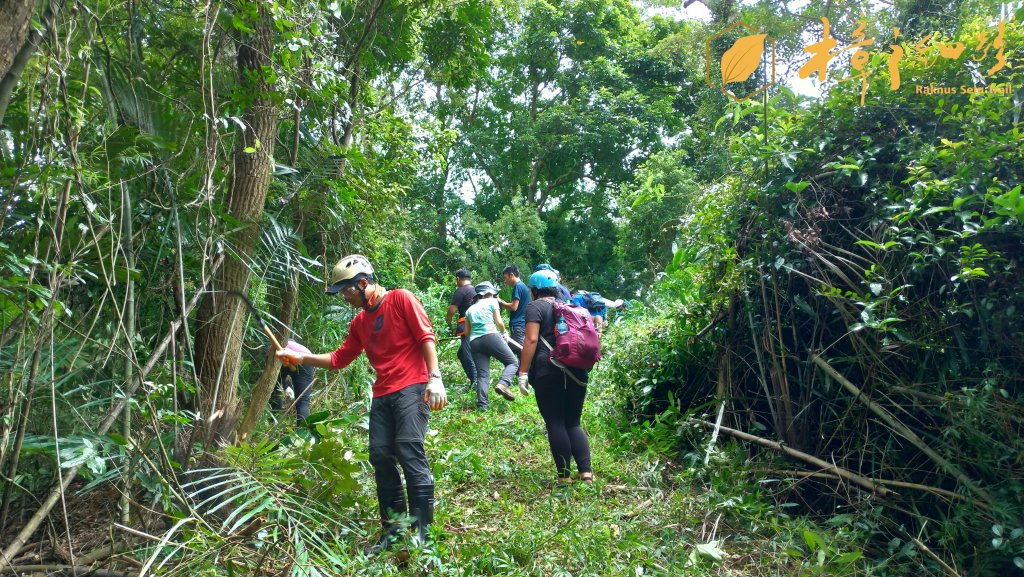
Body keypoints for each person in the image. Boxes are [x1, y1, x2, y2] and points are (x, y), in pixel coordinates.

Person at [276, 254, 446, 553]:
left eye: (346, 290)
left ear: (363, 284)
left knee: (408, 448)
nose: (344, 297)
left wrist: (435, 378)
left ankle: (422, 534)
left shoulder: (401, 299)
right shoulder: (359, 322)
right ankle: (394, 532)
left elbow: (426, 336)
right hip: (382, 393)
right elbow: (339, 359)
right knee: (380, 456)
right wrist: (300, 358)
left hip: (413, 385)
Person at [516, 270, 593, 484]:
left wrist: (523, 372)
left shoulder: (535, 307)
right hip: (577, 370)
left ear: (534, 290)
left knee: (555, 422)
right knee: (573, 423)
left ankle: (564, 477)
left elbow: (531, 340)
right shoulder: (571, 307)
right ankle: (586, 474)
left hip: (548, 370)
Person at [465, 281, 519, 409]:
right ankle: (503, 384)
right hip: (490, 336)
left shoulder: (469, 309)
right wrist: (504, 332)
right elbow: (499, 322)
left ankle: (482, 405)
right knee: (513, 362)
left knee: (482, 374)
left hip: (474, 342)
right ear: (489, 292)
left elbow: (467, 332)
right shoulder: (492, 301)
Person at [445, 268, 477, 387]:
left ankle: (475, 382)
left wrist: (448, 321)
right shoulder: (475, 290)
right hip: (477, 325)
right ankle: (473, 380)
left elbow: (451, 310)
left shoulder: (461, 290)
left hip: (466, 325)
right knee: (462, 353)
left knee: (467, 354)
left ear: (458, 279)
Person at [269, 339, 314, 422]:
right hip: (305, 358)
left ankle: (273, 422)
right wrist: (286, 387)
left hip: (279, 354)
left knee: (275, 392)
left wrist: (285, 387)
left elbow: (277, 379)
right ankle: (303, 429)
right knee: (303, 402)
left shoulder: (274, 346)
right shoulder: (300, 347)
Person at [499, 264, 531, 354]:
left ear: (511, 275)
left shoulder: (518, 286)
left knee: (515, 353)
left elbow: (514, 307)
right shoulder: (523, 286)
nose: (505, 281)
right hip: (522, 325)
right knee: (515, 352)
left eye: (505, 278)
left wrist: (501, 302)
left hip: (518, 326)